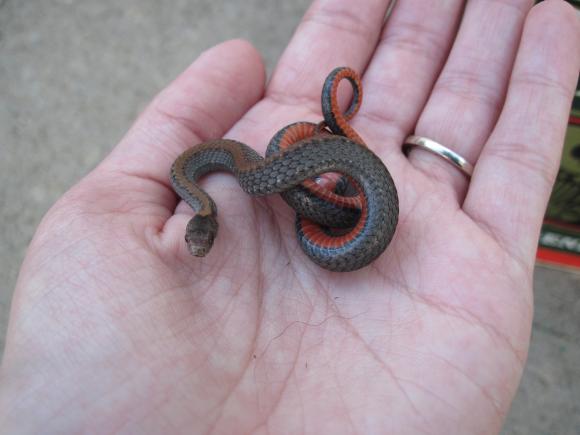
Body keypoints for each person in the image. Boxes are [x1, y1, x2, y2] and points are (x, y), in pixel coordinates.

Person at [1, 0, 578, 433]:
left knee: (298, 169)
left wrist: (330, 167)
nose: (199, 245)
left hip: (328, 184)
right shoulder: (213, 181)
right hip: (325, 191)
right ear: (206, 218)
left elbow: (272, 174)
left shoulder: (246, 174)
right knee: (303, 183)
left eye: (200, 237)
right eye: (202, 238)